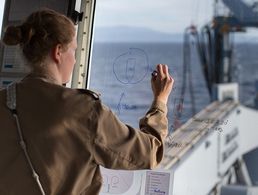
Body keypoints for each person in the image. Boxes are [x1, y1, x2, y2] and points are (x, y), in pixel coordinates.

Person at [0, 8, 174, 195]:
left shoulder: (3, 99)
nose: (75, 60)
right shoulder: (83, 110)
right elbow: (148, 153)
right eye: (74, 50)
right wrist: (160, 101)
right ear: (58, 52)